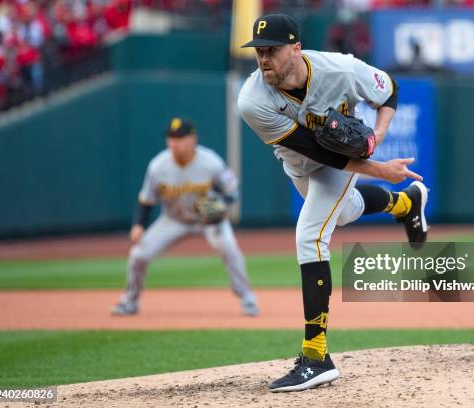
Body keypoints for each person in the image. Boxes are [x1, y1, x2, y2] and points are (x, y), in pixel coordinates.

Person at [238, 13, 429, 392]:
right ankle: (406, 204)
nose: (263, 59)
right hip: (301, 163)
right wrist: (381, 170)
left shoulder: (339, 69)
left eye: (271, 50)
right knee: (344, 213)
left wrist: (378, 134)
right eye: (259, 51)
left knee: (310, 235)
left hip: (337, 165)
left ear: (295, 48)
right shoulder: (252, 100)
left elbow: (388, 88)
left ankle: (316, 356)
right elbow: (314, 150)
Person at [111, 117, 259, 317]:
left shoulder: (211, 162)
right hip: (173, 220)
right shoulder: (158, 166)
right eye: (171, 138)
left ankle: (247, 298)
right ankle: (130, 302)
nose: (174, 143)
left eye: (180, 138)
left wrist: (218, 208)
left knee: (229, 248)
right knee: (138, 255)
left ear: (193, 139)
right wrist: (138, 225)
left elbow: (232, 192)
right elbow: (146, 199)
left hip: (208, 220)